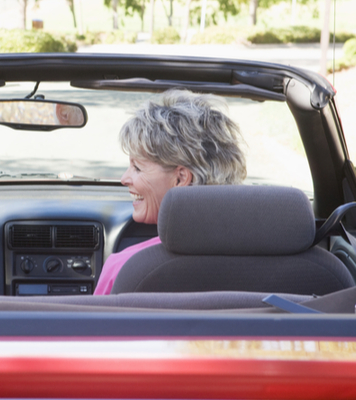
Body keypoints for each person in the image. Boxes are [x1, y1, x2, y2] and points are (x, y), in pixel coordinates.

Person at [94, 90, 248, 295]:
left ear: (181, 178)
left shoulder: (123, 268)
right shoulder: (274, 260)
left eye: (137, 168)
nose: (124, 179)